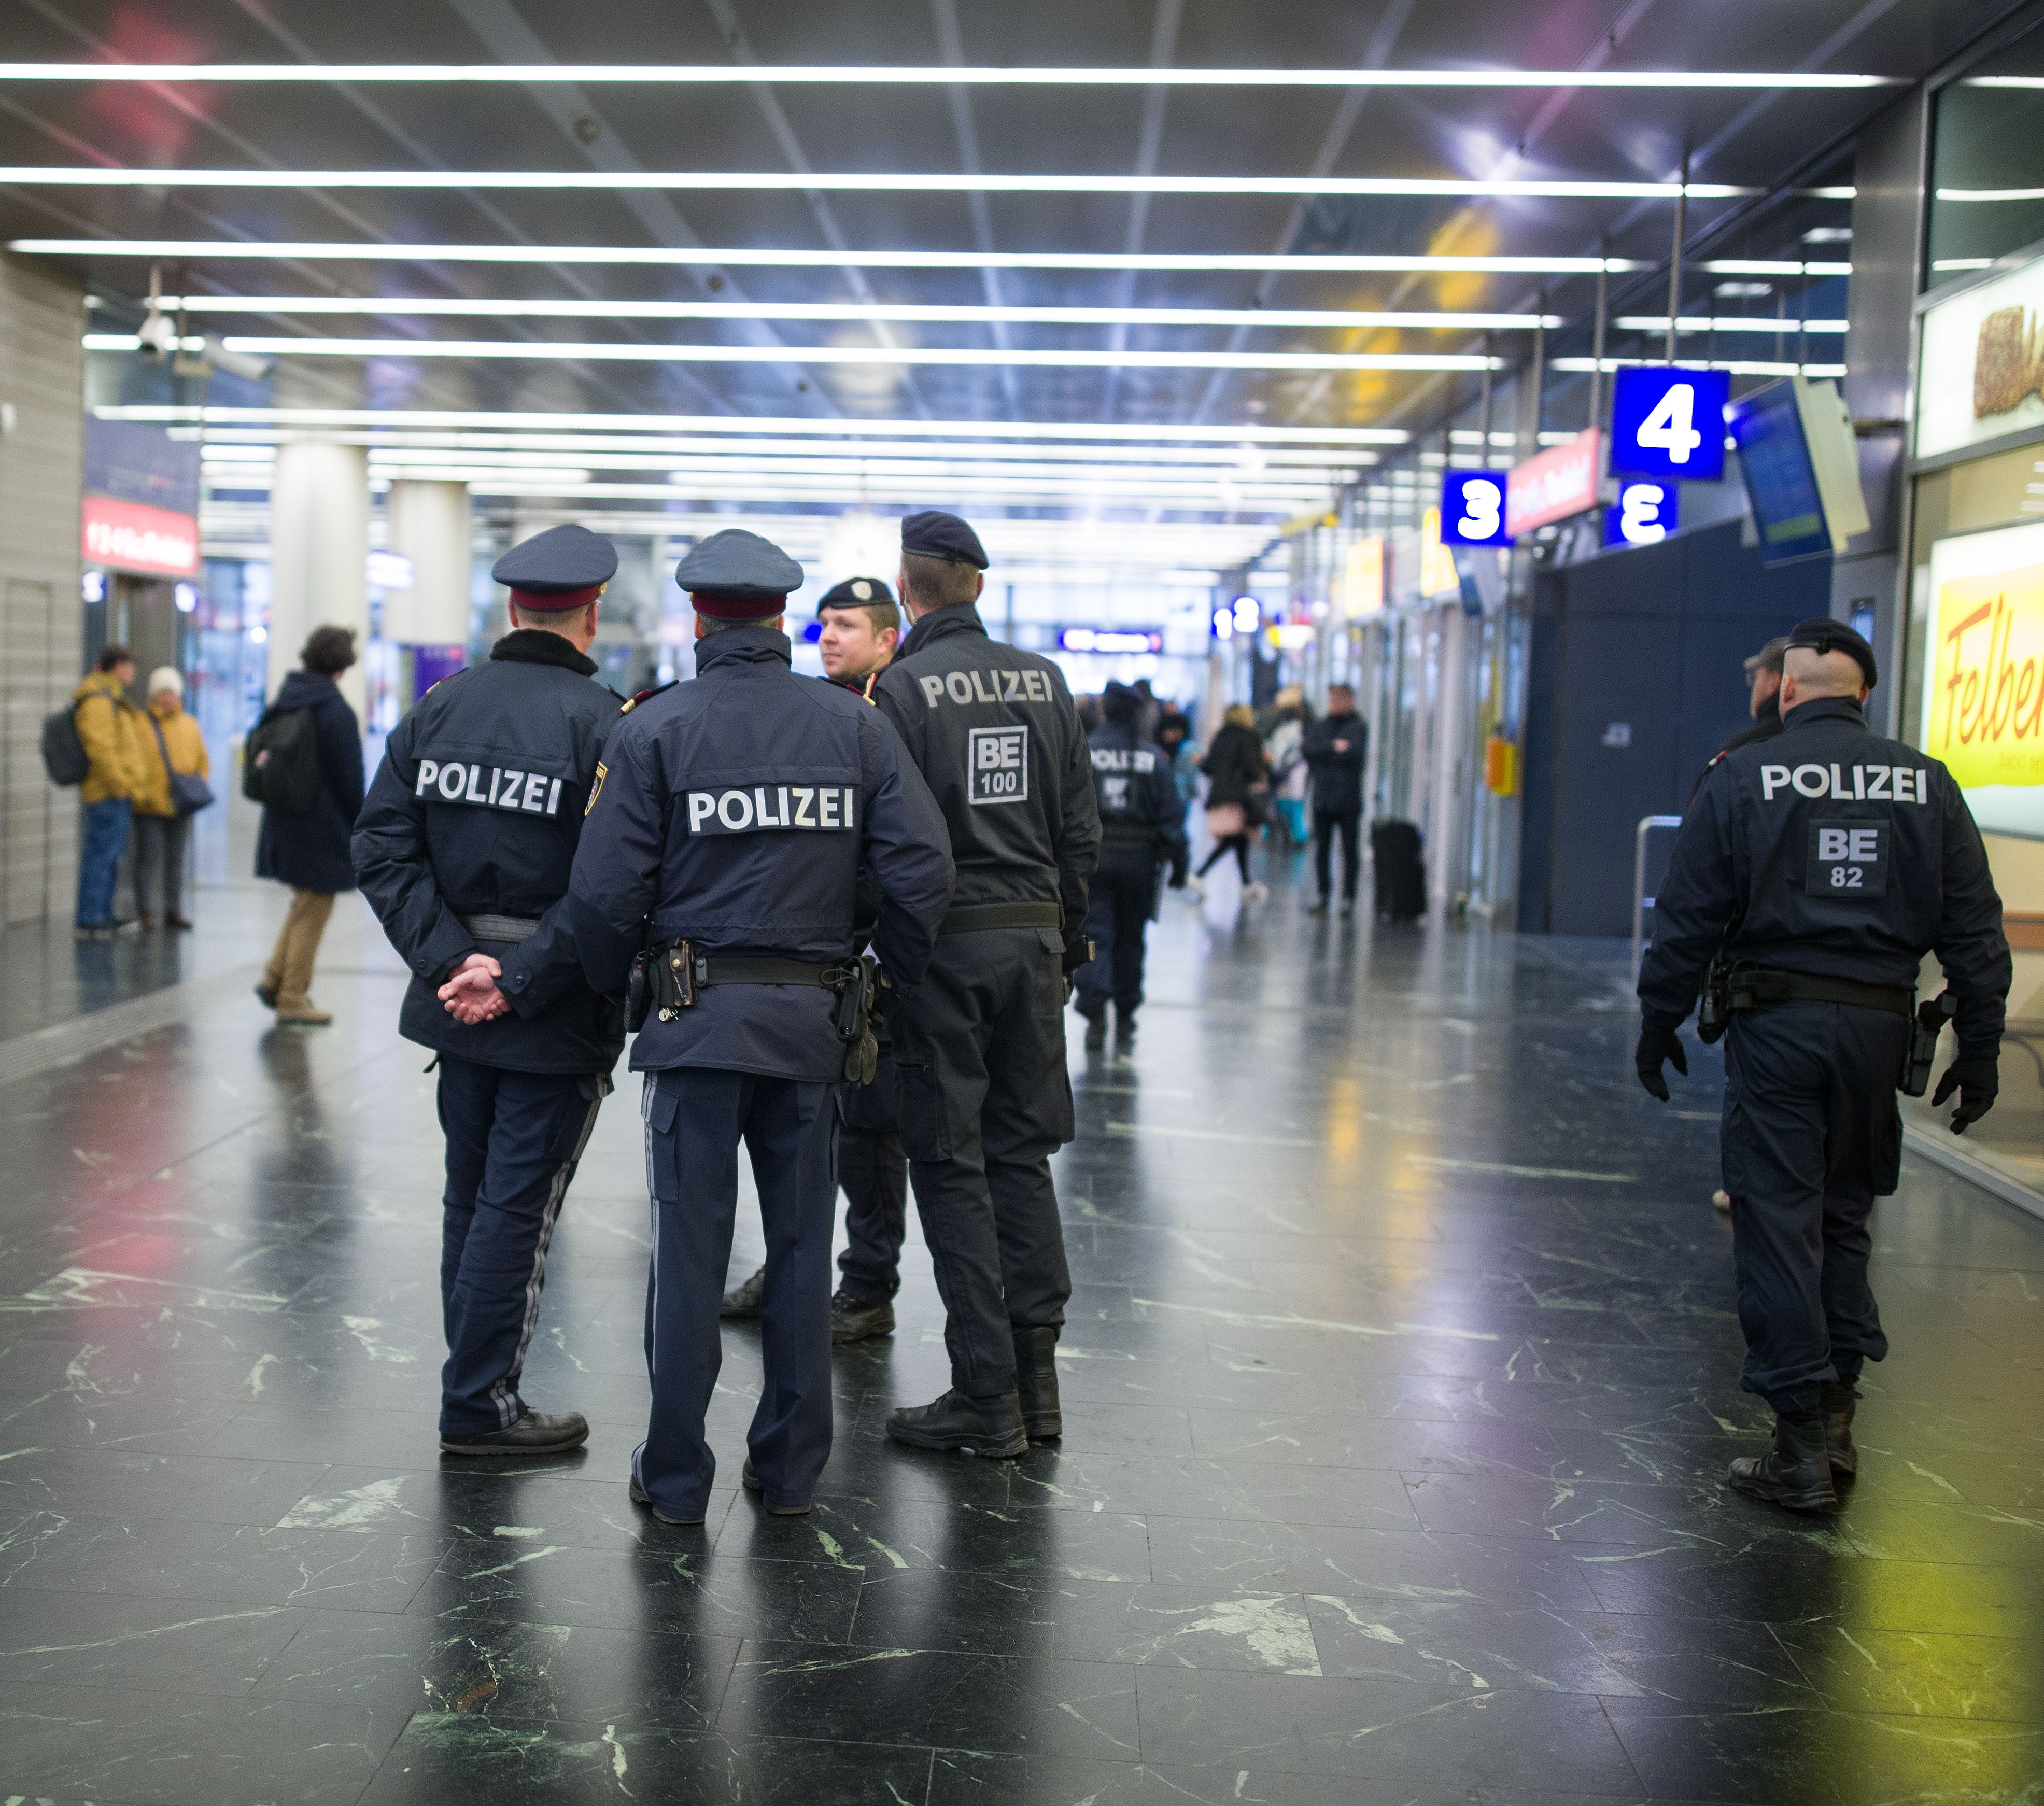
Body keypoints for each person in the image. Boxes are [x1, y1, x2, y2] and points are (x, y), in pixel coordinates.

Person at [568, 529, 953, 1525]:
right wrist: (883, 979)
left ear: (699, 619)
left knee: (688, 1256)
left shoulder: (652, 728)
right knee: (798, 1251)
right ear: (783, 618)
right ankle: (787, 1475)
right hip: (813, 1029)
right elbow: (923, 870)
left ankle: (677, 1477)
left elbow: (604, 894)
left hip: (693, 1028)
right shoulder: (854, 728)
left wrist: (622, 1003)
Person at [1637, 618, 2010, 1515]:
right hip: (1878, 1030)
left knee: (1774, 1218)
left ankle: (1797, 1443)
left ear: (1785, 689)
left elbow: (1687, 910)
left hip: (1777, 1027)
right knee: (1844, 1217)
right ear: (1864, 695)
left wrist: (1657, 1017)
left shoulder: (1742, 776)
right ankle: (1837, 1422)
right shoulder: (1927, 783)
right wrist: (1982, 1045)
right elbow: (1973, 928)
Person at [353, 524, 627, 1457]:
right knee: (519, 1205)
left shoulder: (438, 710)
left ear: (513, 608)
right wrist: (520, 976)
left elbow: (381, 846)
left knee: (467, 1198)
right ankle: (479, 1402)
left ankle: (470, 1384)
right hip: (551, 1011)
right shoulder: (607, 724)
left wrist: (450, 965)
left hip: (457, 1008)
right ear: (590, 613)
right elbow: (610, 884)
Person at [871, 509, 1102, 1456]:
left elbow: (892, 843)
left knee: (949, 1158)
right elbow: (1079, 831)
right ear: (975, 582)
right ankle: (1037, 1390)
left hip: (947, 950)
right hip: (1034, 945)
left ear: (906, 587)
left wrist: (893, 958)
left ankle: (984, 1394)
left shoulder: (904, 689)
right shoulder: (1045, 682)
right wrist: (1069, 948)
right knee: (1019, 1155)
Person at [722, 573, 914, 1345]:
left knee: (869, 1130)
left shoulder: (891, 711)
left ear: (886, 639)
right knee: (813, 1131)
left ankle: (866, 1282)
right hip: (818, 959)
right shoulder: (820, 709)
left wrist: (889, 960)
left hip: (873, 954)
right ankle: (792, 1267)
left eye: (847, 625)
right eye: (823, 624)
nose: (829, 637)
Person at [255, 626, 365, 1026]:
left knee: (303, 903)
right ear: (342, 664)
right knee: (314, 907)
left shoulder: (288, 699)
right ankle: (292, 996)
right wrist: (364, 824)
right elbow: (349, 779)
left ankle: (273, 977)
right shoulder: (335, 710)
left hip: (284, 819)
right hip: (321, 826)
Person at [1074, 680, 1189, 1051]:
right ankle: (1125, 1015)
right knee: (1130, 938)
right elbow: (1172, 815)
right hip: (1140, 861)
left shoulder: (1085, 753)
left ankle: (1094, 1016)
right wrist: (1180, 865)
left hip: (1095, 858)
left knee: (1094, 936)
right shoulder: (1153, 757)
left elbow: (1068, 810)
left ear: (1104, 710)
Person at [71, 644, 148, 939]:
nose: (133, 672)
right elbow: (100, 747)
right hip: (107, 792)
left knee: (109, 854)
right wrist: (119, 784)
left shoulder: (111, 696)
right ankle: (91, 917)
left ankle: (102, 913)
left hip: (116, 791)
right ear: (118, 666)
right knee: (102, 854)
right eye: (130, 666)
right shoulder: (99, 699)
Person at [131, 667, 210, 932]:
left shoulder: (190, 724)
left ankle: (172, 909)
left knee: (176, 860)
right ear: (153, 696)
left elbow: (202, 760)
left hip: (180, 804)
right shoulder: (140, 724)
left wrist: (198, 785)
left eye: (171, 693)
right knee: (148, 858)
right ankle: (144, 910)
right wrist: (141, 792)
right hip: (149, 805)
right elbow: (134, 761)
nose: (167, 699)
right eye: (162, 693)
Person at [1302, 683, 1369, 917]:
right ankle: (1323, 894)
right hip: (1323, 798)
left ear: (1350, 700)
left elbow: (1355, 755)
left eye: (1340, 698)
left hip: (1348, 800)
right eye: (1332, 698)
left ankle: (1348, 897)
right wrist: (1333, 747)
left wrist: (1327, 753)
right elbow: (1309, 750)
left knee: (1349, 850)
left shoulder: (1358, 727)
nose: (1335, 703)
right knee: (1322, 848)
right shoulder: (1321, 726)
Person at [1191, 703, 1268, 903]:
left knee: (1238, 840)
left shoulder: (1221, 736)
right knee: (1233, 840)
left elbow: (1208, 768)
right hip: (1238, 798)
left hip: (1219, 796)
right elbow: (1252, 770)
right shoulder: (1248, 737)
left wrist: (1199, 761)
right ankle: (1199, 874)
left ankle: (1245, 884)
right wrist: (1266, 763)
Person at [1694, 634, 1788, 798]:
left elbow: (1698, 813)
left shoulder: (1737, 751)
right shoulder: (1820, 746)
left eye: (1757, 677)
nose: (1753, 686)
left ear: (1773, 682)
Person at [1265, 687, 1310, 850]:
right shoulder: (1283, 726)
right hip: (1285, 769)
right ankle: (1292, 835)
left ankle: (1299, 835)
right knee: (1284, 803)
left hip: (1294, 769)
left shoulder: (1300, 725)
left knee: (1294, 803)